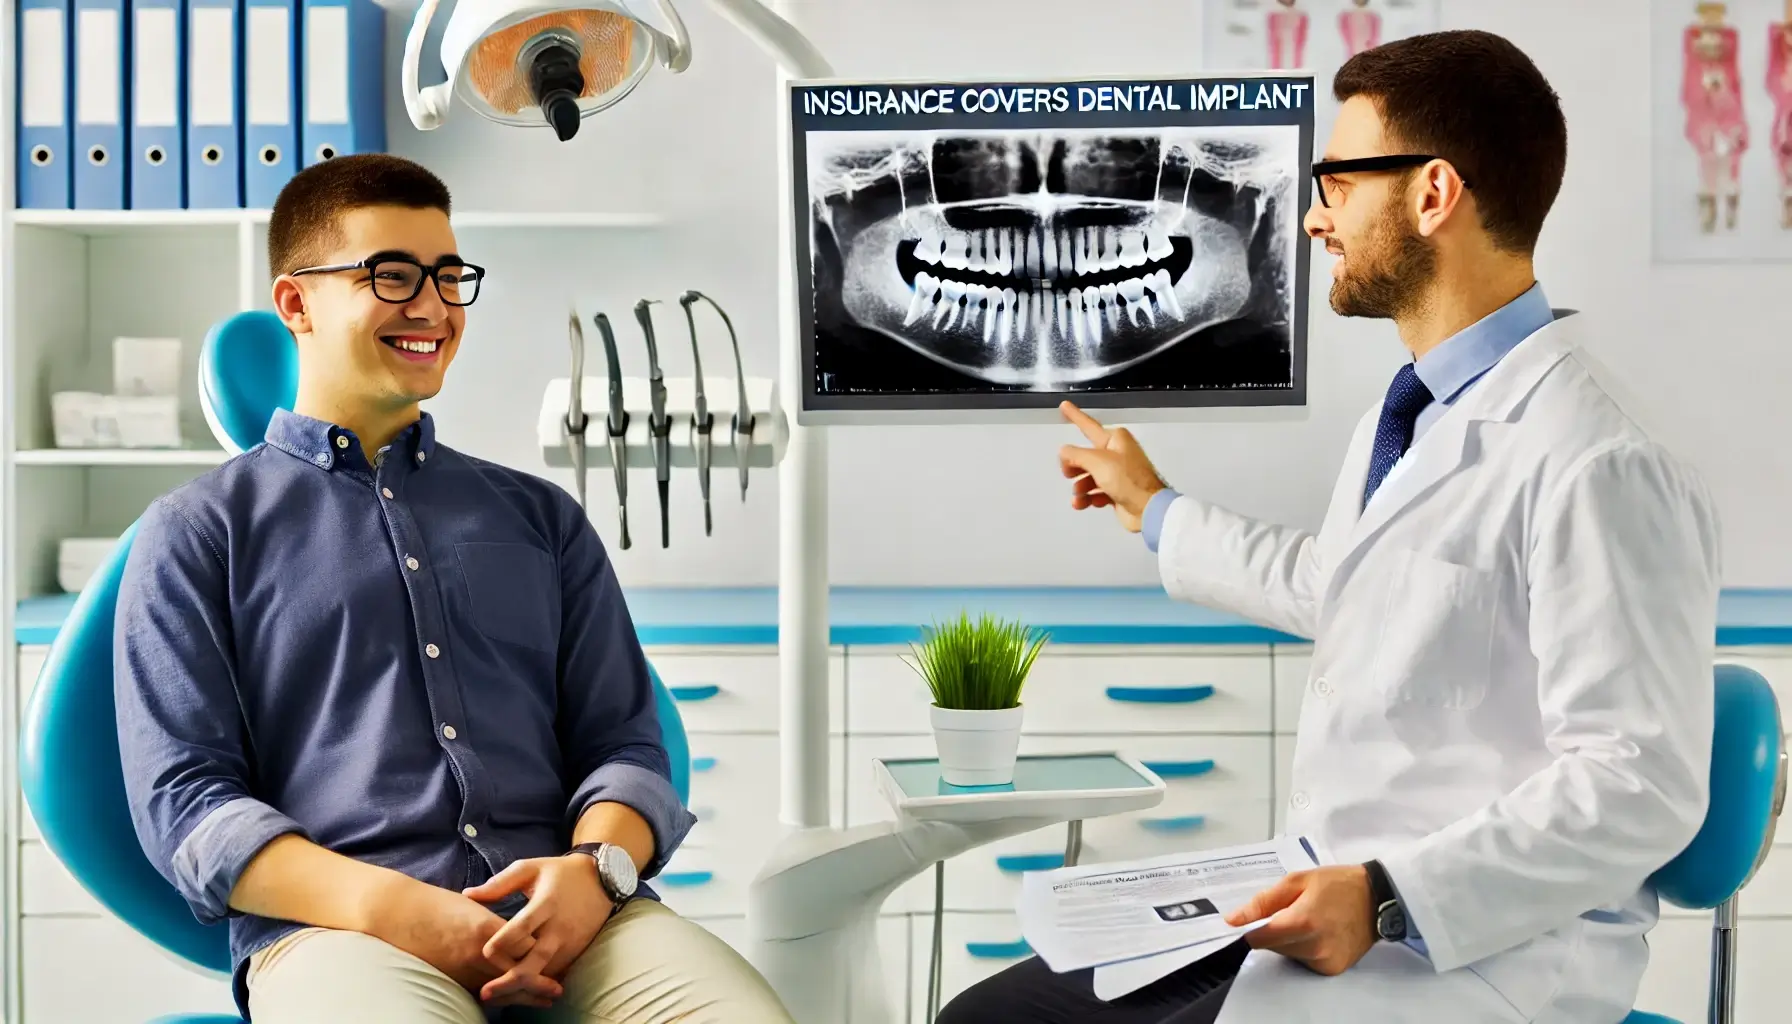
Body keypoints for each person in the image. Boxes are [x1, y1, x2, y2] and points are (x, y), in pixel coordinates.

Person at [941, 29, 1722, 1024]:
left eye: (1337, 181)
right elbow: (1344, 590)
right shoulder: (1415, 411)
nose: (1315, 219)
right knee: (990, 1017)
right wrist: (1154, 507)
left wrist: (1391, 893)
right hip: (1330, 899)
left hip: (1475, 954)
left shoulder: (1599, 462)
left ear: (1433, 194)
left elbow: (1639, 786)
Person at [114, 153, 797, 1024]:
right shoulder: (198, 531)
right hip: (342, 936)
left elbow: (625, 743)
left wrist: (596, 874)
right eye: (392, 276)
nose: (433, 307)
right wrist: (394, 909)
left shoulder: (541, 518)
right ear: (296, 304)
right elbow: (187, 805)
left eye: (448, 276)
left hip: (584, 922)